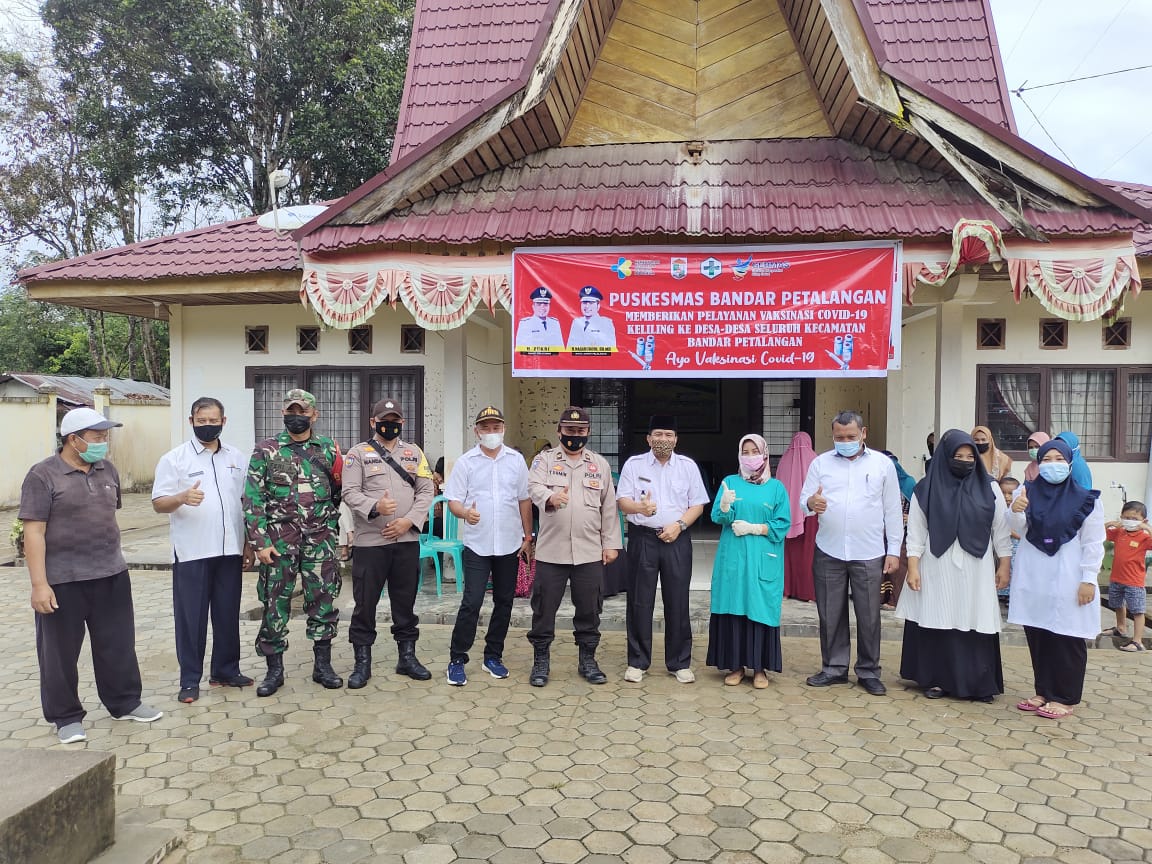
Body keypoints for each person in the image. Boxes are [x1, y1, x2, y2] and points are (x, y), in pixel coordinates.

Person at [20, 407, 163, 743]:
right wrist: (39, 585)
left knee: (118, 644)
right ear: (74, 439)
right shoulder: (42, 476)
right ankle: (66, 717)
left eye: (105, 435)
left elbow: (106, 516)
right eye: (98, 437)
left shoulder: (106, 470)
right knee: (59, 653)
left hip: (111, 573)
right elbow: (34, 532)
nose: (104, 442)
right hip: (63, 580)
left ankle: (125, 701)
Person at [895, 430, 1012, 702]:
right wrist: (912, 567)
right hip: (937, 564)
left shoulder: (990, 487)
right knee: (939, 616)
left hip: (977, 565)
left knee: (974, 617)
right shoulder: (925, 488)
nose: (964, 461)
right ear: (945, 457)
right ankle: (938, 679)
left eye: (970, 456)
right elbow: (916, 531)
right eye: (958, 456)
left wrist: (1004, 564)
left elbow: (1001, 531)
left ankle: (978, 683)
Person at [152, 397, 253, 704]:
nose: (207, 425)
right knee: (191, 619)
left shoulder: (236, 456)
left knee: (226, 614)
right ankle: (189, 679)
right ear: (191, 422)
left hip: (229, 550)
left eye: (213, 421)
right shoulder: (175, 459)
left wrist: (247, 543)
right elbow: (158, 503)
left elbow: (244, 503)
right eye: (201, 420)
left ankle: (225, 670)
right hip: (193, 552)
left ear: (224, 421)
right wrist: (181, 497)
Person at [244, 388, 344, 696]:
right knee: (275, 605)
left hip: (320, 541)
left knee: (323, 600)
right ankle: (274, 670)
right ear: (283, 413)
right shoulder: (266, 450)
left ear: (314, 415)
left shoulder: (329, 449)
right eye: (291, 411)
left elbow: (341, 491)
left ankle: (322, 666)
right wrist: (259, 542)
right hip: (279, 542)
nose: (296, 417)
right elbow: (252, 498)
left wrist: (332, 531)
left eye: (302, 412)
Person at [798, 410, 903, 696]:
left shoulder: (883, 465)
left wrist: (893, 551)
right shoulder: (821, 463)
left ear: (863, 433)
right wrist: (812, 502)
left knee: (869, 616)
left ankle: (869, 671)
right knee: (830, 614)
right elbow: (803, 501)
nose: (844, 441)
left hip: (868, 551)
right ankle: (833, 668)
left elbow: (893, 510)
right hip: (829, 549)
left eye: (850, 437)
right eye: (839, 437)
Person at [341, 397, 435, 687]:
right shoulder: (358, 454)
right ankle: (362, 663)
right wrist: (375, 507)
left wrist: (409, 521)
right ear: (373, 422)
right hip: (372, 543)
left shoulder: (414, 453)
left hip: (406, 540)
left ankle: (407, 657)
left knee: (405, 603)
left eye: (395, 420)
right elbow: (349, 492)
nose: (390, 425)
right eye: (384, 420)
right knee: (365, 605)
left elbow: (427, 489)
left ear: (402, 423)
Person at [1007, 438, 1104, 720]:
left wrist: (1088, 579)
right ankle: (1044, 691)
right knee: (1039, 635)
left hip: (1070, 577)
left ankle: (1065, 697)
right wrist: (1015, 510)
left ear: (1070, 463)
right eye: (1046, 460)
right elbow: (1016, 528)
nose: (1052, 465)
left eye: (1058, 460)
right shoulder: (1026, 492)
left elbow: (1094, 543)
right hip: (1035, 576)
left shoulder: (1087, 499)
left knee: (1067, 636)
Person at [526, 407, 621, 686]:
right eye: (569, 431)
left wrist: (611, 544)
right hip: (551, 551)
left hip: (589, 550)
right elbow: (533, 487)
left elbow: (609, 507)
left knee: (590, 608)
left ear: (588, 432)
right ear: (559, 431)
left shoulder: (599, 465)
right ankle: (541, 661)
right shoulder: (544, 461)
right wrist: (551, 497)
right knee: (544, 608)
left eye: (580, 431)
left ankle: (588, 660)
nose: (575, 436)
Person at [444, 406, 534, 685]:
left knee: (504, 602)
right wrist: (464, 514)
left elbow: (524, 500)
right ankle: (457, 658)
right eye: (486, 428)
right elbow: (454, 500)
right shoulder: (466, 462)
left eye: (496, 427)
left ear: (503, 429)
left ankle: (493, 655)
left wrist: (528, 538)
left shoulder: (516, 460)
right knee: (471, 601)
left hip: (509, 543)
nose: (491, 433)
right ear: (477, 431)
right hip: (478, 544)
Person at [617, 415, 710, 683]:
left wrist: (679, 525)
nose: (663, 440)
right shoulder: (634, 465)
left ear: (676, 439)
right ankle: (638, 661)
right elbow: (622, 501)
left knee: (678, 601)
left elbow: (698, 504)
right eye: (657, 434)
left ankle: (679, 662)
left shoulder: (688, 467)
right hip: (642, 539)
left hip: (677, 540)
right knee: (639, 601)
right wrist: (640, 508)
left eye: (668, 435)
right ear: (648, 438)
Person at [706, 435, 792, 688]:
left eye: (755, 451)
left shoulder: (776, 488)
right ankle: (735, 666)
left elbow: (783, 523)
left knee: (759, 608)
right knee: (734, 608)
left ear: (765, 455)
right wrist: (723, 506)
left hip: (763, 559)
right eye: (746, 451)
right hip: (733, 558)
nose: (750, 455)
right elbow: (717, 518)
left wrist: (755, 528)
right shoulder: (730, 482)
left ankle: (760, 669)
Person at [1103, 501, 1152, 652]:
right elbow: (1099, 533)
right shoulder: (1119, 533)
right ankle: (1121, 628)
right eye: (1126, 517)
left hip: (1134, 581)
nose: (1130, 521)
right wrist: (1110, 524)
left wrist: (1147, 529)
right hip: (1117, 578)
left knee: (1137, 611)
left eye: (1134, 518)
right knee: (1117, 604)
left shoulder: (1144, 537)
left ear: (1144, 520)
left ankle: (1137, 641)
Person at [777, 431, 817, 602]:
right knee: (809, 555)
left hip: (786, 515)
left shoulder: (784, 460)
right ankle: (807, 592)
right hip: (810, 515)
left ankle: (787, 590)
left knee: (788, 554)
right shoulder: (816, 460)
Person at [879, 450, 915, 610]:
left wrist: (909, 516)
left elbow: (920, 509)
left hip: (903, 533)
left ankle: (896, 600)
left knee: (898, 568)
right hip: (880, 532)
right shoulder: (878, 481)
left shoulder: (909, 483)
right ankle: (881, 598)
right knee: (881, 567)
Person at [997, 476, 1022, 603]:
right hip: (1004, 543)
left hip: (1018, 545)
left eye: (1011, 493)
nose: (1007, 497)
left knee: (1015, 566)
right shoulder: (998, 509)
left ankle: (1012, 593)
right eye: (1003, 493)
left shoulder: (1020, 508)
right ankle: (1003, 591)